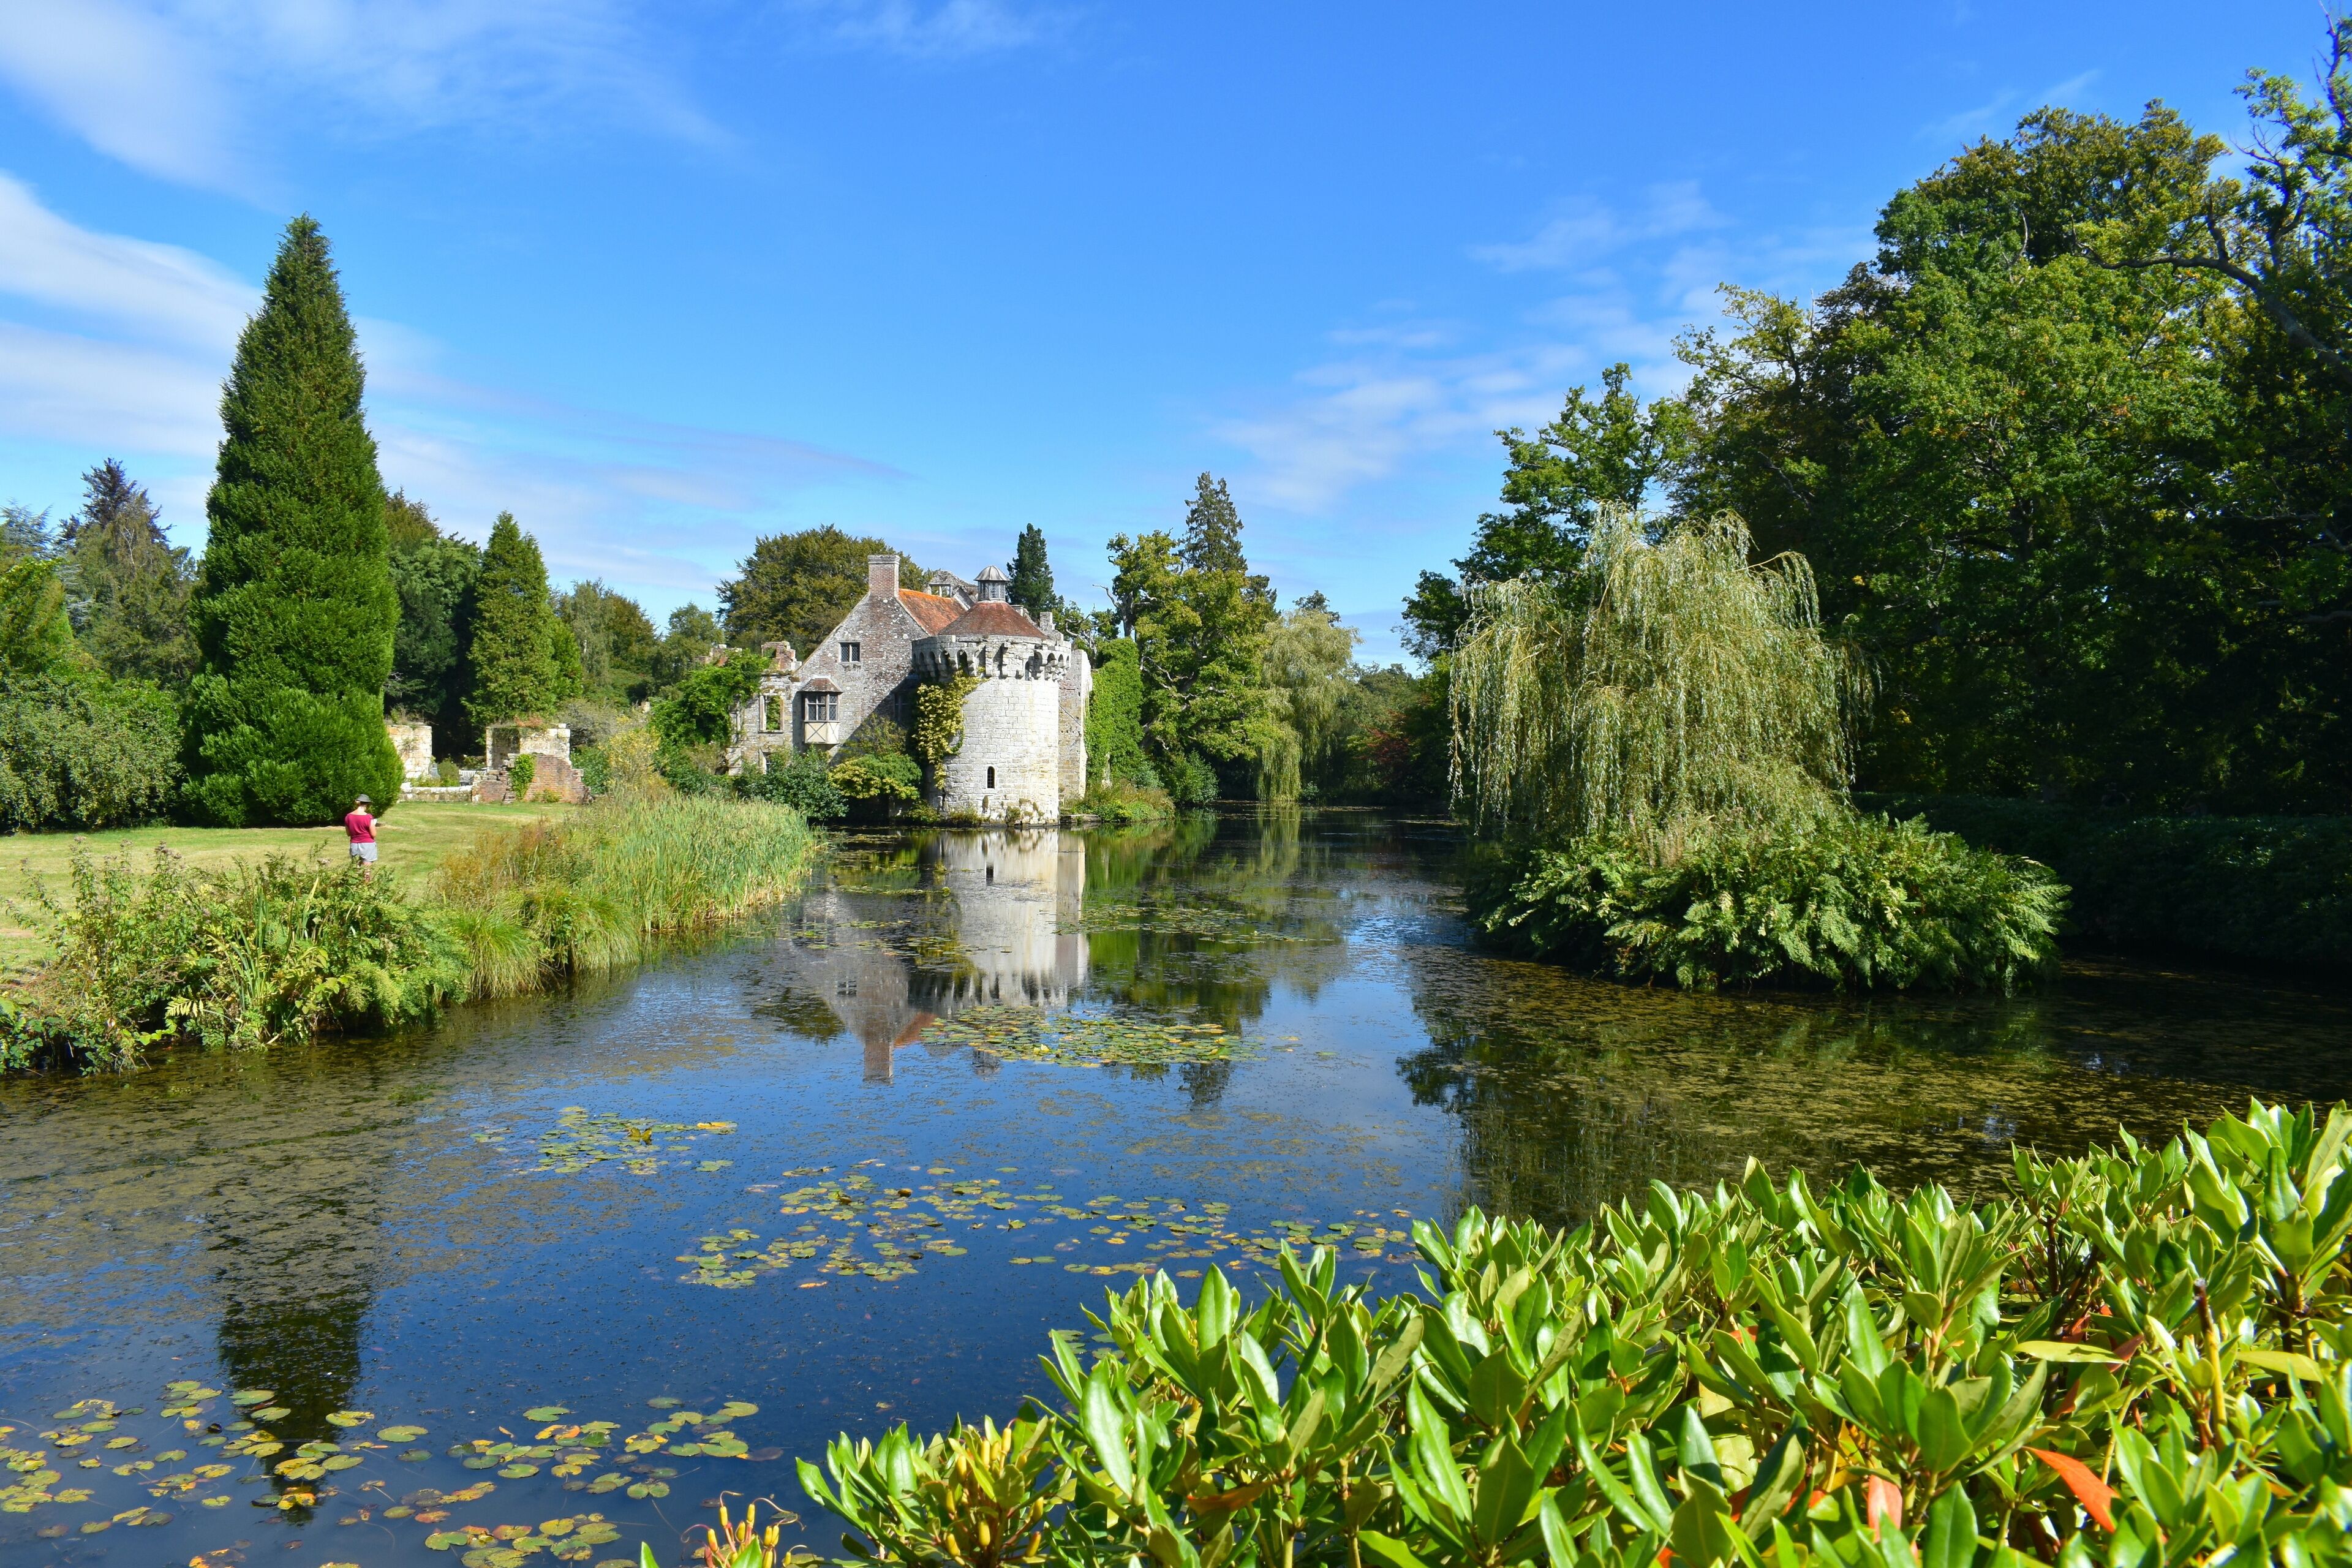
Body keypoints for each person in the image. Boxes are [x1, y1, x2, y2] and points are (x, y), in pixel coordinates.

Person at [345, 794, 379, 875]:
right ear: (367, 804)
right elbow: (374, 834)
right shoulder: (368, 817)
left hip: (354, 845)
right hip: (367, 845)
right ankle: (366, 886)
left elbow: (348, 833)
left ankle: (355, 886)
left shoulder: (348, 817)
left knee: (356, 870)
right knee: (367, 870)